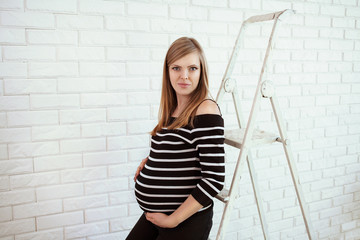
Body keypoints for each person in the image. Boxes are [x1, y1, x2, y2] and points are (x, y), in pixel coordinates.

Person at [126, 37, 225, 240]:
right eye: (176, 68)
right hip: (156, 217)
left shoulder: (205, 109)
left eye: (192, 68)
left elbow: (214, 178)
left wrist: (173, 220)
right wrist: (153, 161)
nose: (184, 76)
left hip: (185, 221)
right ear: (167, 71)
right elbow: (181, 150)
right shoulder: (172, 108)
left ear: (201, 71)